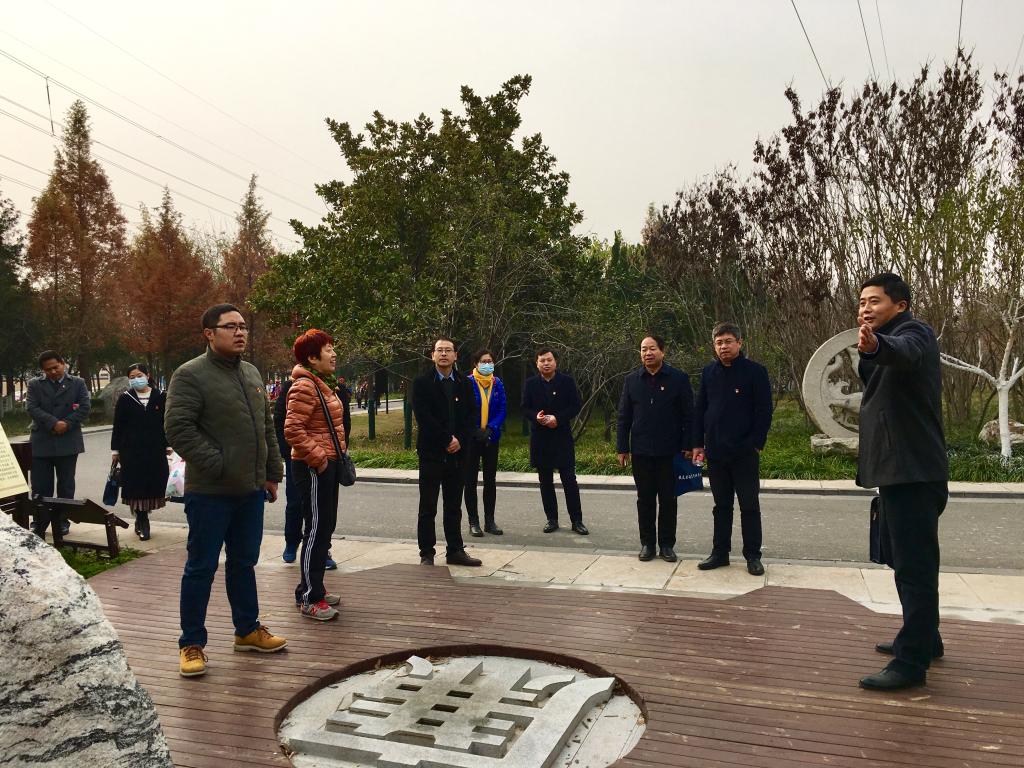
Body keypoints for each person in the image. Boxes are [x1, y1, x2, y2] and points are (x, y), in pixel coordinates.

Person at [165, 303, 286, 678]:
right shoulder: (190, 375)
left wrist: (272, 472)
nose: (240, 332)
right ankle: (191, 643)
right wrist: (218, 464)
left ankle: (247, 630)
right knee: (201, 567)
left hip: (250, 491)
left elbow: (266, 427)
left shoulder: (251, 372)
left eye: (243, 326)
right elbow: (178, 428)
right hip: (210, 492)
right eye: (231, 326)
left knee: (243, 563)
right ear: (209, 334)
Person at [855, 273, 948, 691]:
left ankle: (911, 663)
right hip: (897, 471)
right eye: (862, 302)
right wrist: (873, 349)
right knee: (903, 560)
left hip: (914, 472)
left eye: (874, 301)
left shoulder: (915, 333)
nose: (865, 308)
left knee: (915, 568)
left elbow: (904, 352)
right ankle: (926, 638)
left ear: (900, 305)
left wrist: (877, 346)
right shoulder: (879, 342)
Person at [692, 323, 773, 576]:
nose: (723, 347)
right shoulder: (709, 372)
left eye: (728, 341)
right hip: (716, 452)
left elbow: (764, 411)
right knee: (721, 506)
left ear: (740, 343)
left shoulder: (755, 372)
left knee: (749, 505)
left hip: (745, 452)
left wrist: (756, 443)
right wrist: (698, 443)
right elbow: (700, 409)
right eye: (719, 343)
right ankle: (720, 553)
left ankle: (753, 556)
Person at [284, 329, 347, 622]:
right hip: (312, 466)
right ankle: (310, 598)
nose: (333, 354)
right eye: (328, 349)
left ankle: (312, 588)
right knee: (316, 529)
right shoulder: (305, 386)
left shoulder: (321, 383)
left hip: (327, 463)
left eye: (333, 348)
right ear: (312, 357)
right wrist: (319, 459)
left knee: (325, 527)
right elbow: (292, 430)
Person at [616, 335, 693, 562]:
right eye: (643, 349)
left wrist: (688, 445)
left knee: (669, 500)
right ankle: (647, 544)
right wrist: (622, 448)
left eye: (652, 349)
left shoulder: (678, 379)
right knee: (645, 500)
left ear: (662, 351)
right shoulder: (631, 380)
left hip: (671, 451)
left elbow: (689, 415)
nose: (647, 353)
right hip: (641, 451)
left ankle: (667, 545)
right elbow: (623, 417)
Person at [411, 336, 482, 567]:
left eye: (448, 350)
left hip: (458, 454)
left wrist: (459, 439)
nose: (443, 354)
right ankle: (427, 553)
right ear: (432, 355)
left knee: (453, 506)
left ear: (455, 355)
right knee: (428, 506)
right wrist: (446, 439)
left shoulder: (464, 383)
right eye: (439, 350)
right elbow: (424, 417)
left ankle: (455, 550)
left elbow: (471, 415)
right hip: (432, 453)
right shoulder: (422, 383)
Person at [521, 348, 589, 535]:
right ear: (537, 363)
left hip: (562, 437)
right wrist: (536, 417)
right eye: (542, 360)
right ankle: (552, 519)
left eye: (549, 360)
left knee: (569, 480)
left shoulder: (567, 382)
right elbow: (524, 408)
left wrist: (557, 418)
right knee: (545, 481)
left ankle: (577, 520)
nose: (546, 363)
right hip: (540, 439)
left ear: (555, 362)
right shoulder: (531, 384)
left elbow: (575, 406)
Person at [26, 350, 90, 538]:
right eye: (48, 370)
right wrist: (53, 423)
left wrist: (67, 424)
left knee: (66, 485)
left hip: (68, 441)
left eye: (56, 367)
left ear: (63, 364)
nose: (53, 372)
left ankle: (62, 521)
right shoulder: (35, 384)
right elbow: (31, 407)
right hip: (41, 442)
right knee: (40, 486)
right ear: (43, 371)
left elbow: (85, 407)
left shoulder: (78, 383)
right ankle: (39, 522)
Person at [110, 363, 170, 541]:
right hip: (131, 451)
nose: (136, 379)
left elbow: (167, 422)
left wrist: (169, 445)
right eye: (132, 377)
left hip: (155, 450)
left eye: (139, 376)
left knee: (154, 483)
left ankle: (144, 514)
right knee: (136, 485)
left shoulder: (161, 396)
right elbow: (118, 426)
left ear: (147, 375)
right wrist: (115, 450)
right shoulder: (125, 398)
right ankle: (142, 519)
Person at [464, 349, 507, 537]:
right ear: (476, 364)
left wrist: (491, 427)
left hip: (491, 438)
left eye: (490, 361)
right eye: (483, 361)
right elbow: (463, 410)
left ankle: (490, 521)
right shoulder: (467, 383)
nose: (487, 364)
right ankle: (473, 521)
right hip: (472, 439)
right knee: (470, 481)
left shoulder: (497, 383)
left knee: (490, 480)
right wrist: (475, 430)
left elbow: (503, 408)